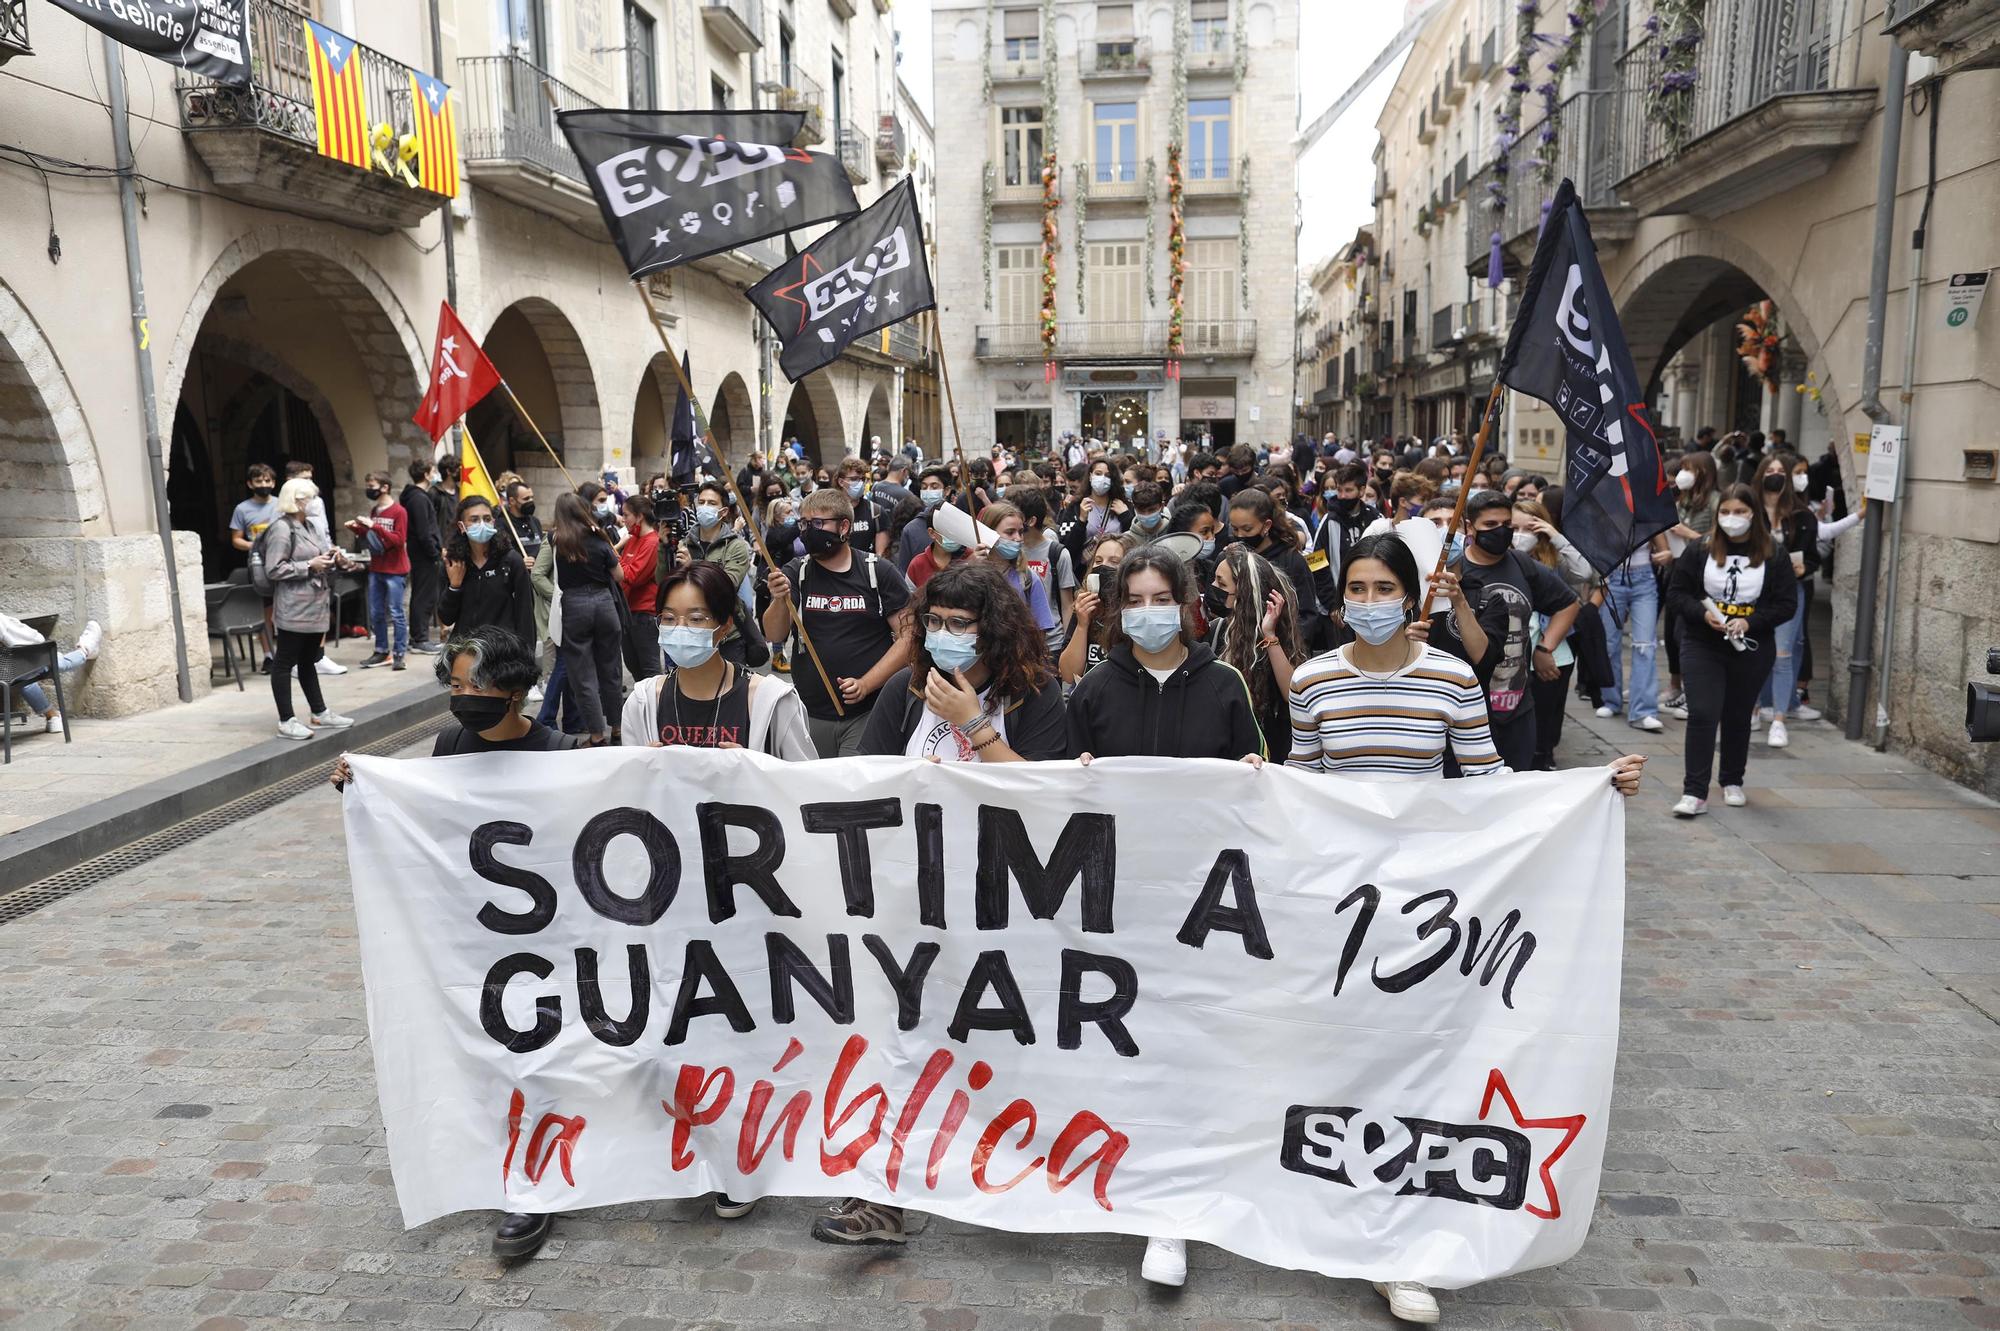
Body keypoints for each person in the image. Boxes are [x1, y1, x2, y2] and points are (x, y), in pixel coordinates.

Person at [1289, 531, 1643, 1324]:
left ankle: (1400, 1248)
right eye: (1358, 586)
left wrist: (1588, 788)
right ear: (1341, 595)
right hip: (1340, 903)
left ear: (1412, 595)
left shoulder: (1450, 678)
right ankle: (1334, 1212)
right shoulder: (1312, 681)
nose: (1370, 602)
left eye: (1386, 588)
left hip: (1425, 904)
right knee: (1342, 1058)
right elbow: (1299, 784)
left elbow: (1488, 781)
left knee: (1414, 1063)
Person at [329, 626, 587, 1260]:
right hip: (472, 942)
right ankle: (508, 1163)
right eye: (455, 683)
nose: (462, 694)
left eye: (474, 683)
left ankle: (534, 1188)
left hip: (548, 944)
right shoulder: (450, 745)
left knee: (541, 1058)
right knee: (487, 1058)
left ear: (514, 688)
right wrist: (364, 788)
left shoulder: (561, 753)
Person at [1064, 547, 1265, 766]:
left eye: (1161, 600)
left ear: (1183, 604)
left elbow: (1250, 758)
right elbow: (1072, 769)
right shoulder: (1094, 686)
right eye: (1135, 601)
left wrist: (1248, 763)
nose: (1148, 610)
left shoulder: (1226, 682)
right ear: (1120, 608)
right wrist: (1079, 767)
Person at [1665, 484, 1797, 815]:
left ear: (1754, 514)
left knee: (1737, 715)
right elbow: (1677, 594)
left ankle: (1731, 779)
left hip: (1750, 647)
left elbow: (1786, 604)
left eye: (1740, 512)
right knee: (1703, 713)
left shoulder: (1774, 554)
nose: (1731, 519)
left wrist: (1752, 623)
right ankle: (1694, 791)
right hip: (1702, 643)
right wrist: (1703, 614)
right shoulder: (1700, 550)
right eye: (1725, 512)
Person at [1433, 490, 1580, 774]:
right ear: (1469, 527)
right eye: (1490, 525)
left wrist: (1545, 648)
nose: (1500, 532)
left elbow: (1569, 603)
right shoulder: (1454, 574)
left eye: (1507, 525)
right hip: (1465, 709)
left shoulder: (1522, 566)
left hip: (1516, 706)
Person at [761, 488, 915, 757]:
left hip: (865, 713)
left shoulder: (877, 571)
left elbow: (909, 636)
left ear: (844, 526)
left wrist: (866, 683)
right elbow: (775, 632)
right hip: (809, 712)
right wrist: (778, 599)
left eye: (818, 523)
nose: (809, 531)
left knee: (851, 791)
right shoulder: (797, 572)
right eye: (804, 524)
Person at [622, 561, 815, 759]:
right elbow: (625, 783)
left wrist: (755, 771)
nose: (679, 628)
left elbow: (802, 781)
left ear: (724, 627)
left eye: (696, 618)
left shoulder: (770, 702)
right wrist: (641, 772)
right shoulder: (643, 704)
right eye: (669, 618)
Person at [263, 477, 358, 740]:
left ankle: (319, 711)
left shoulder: (311, 525)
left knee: (308, 659)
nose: (315, 502)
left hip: (315, 604)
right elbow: (274, 568)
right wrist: (308, 565)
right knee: (284, 662)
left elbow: (319, 554)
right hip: (294, 606)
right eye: (310, 497)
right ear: (297, 500)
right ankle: (286, 719)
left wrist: (332, 557)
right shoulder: (281, 529)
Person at [1512, 498, 1592, 770]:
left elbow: (1584, 572)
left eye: (1529, 529)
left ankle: (1545, 757)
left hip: (1552, 648)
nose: (1520, 536)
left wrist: (1556, 537)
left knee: (1548, 714)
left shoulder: (1553, 559)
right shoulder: (1500, 557)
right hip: (1514, 652)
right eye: (1514, 528)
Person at [1207, 545, 1306, 759]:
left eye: (1221, 583)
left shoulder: (1276, 636)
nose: (1213, 587)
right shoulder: (1216, 630)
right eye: (1214, 580)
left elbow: (1292, 695)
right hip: (1223, 746)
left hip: (1269, 753)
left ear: (1242, 593)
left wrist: (1269, 634)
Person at [1751, 452, 1819, 748]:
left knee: (1783, 655)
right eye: (1771, 469)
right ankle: (1752, 709)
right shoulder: (1748, 511)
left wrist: (1806, 568)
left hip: (1789, 592)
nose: (1776, 474)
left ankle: (1778, 720)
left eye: (1781, 470)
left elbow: (1814, 557)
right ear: (1761, 474)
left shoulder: (1802, 516)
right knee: (1752, 651)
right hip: (1753, 591)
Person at [550, 491, 626, 746]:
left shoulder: (556, 539)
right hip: (604, 603)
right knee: (611, 670)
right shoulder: (599, 539)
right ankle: (617, 728)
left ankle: (596, 735)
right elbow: (619, 576)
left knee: (583, 676)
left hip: (574, 606)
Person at [1651, 450, 1721, 721]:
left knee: (1687, 635)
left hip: (1702, 579)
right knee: (1671, 634)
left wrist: (1689, 534)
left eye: (1689, 468)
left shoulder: (1716, 502)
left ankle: (1693, 693)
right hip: (1677, 572)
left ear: (1703, 472)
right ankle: (1675, 685)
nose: (1683, 474)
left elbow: (1719, 540)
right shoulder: (1682, 500)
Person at [439, 493, 536, 647]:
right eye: (474, 519)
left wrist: (526, 657)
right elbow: (446, 617)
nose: (482, 524)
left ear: (494, 522)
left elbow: (526, 615)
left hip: (503, 652)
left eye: (487, 518)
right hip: (465, 651)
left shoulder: (511, 561)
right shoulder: (454, 563)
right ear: (461, 526)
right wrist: (454, 586)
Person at [1225, 488, 1322, 641]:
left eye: (1247, 529)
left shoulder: (1292, 561)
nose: (1240, 536)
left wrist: (1288, 647)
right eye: (1235, 529)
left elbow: (1306, 615)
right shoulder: (1231, 557)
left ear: (1266, 525)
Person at [976, 501, 1059, 647]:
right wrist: (974, 568)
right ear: (988, 534)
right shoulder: (971, 575)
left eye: (1021, 532)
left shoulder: (1028, 578)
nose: (1018, 538)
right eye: (1010, 532)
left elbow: (1040, 630)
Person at [1058, 533, 1138, 684]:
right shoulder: (1085, 607)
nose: (1103, 566)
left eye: (1114, 562)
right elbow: (1069, 675)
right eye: (1098, 561)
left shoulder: (1136, 609)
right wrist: (1082, 625)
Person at [351, 471, 411, 671]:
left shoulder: (399, 511)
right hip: (377, 567)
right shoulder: (375, 510)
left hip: (395, 569)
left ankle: (399, 652)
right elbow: (373, 537)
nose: (369, 489)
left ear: (385, 487)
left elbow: (399, 540)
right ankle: (381, 650)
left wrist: (374, 526)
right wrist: (358, 528)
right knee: (376, 612)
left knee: (396, 612)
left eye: (372, 485)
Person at [1, 615, 101, 733]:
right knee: (32, 674)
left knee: (53, 665)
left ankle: (85, 649)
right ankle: (52, 716)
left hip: (23, 659)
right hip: (14, 667)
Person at [228, 463, 281, 664]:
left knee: (284, 608)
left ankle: (286, 653)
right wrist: (255, 546)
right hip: (259, 565)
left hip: (282, 562)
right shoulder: (242, 509)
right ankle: (269, 654)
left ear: (274, 483)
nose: (264, 484)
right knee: (265, 610)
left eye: (267, 480)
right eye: (259, 481)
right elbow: (236, 539)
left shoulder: (281, 505)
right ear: (250, 484)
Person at [1012, 487, 1077, 647]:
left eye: (1016, 516)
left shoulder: (1057, 553)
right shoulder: (1009, 550)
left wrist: (1066, 646)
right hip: (1017, 643)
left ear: (1031, 521)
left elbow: (1067, 605)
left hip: (1052, 643)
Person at [616, 495, 663, 682]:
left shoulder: (652, 542)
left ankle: (658, 708)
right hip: (628, 611)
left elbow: (631, 576)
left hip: (644, 614)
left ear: (639, 516)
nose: (623, 519)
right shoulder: (633, 539)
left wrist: (617, 563)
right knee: (633, 664)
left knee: (650, 668)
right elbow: (622, 572)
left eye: (626, 515)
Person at [400, 459, 445, 655]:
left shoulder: (419, 497)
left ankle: (419, 636)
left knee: (425, 594)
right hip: (424, 555)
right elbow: (423, 531)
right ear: (426, 474)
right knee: (424, 596)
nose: (435, 475)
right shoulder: (418, 498)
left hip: (424, 553)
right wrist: (434, 552)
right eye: (433, 471)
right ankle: (420, 638)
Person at [1056, 457, 1132, 570]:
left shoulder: (1124, 506)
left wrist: (1126, 516)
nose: (1102, 478)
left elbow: (1133, 540)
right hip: (1083, 571)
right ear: (1091, 476)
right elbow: (1067, 548)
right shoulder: (1075, 507)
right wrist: (1081, 521)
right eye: (1098, 473)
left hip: (1116, 570)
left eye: (1107, 475)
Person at [502, 480, 545, 564]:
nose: (531, 501)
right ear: (512, 501)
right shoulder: (503, 524)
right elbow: (503, 554)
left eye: (532, 497)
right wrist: (519, 562)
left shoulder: (535, 521)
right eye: (526, 499)